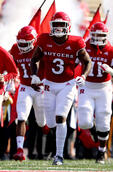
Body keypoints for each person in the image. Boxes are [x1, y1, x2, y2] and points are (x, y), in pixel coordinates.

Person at [30, 12, 92, 165]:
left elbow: (88, 62)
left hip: (67, 84)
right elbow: (34, 59)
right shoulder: (44, 39)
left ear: (67, 26)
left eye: (61, 25)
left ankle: (59, 155)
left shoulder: (76, 42)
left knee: (60, 117)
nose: (58, 28)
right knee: (50, 123)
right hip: (49, 84)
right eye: (55, 25)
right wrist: (34, 75)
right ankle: (57, 150)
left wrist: (83, 76)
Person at [77, 22, 113, 164]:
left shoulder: (112, 50)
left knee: (104, 119)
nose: (97, 38)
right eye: (95, 35)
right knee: (83, 122)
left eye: (100, 35)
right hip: (87, 85)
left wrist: (111, 71)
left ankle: (101, 152)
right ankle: (93, 129)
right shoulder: (84, 46)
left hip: (104, 87)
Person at [10, 26, 46, 161]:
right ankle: (20, 150)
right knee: (21, 118)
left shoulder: (40, 49)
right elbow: (8, 63)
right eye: (21, 43)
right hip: (25, 87)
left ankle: (46, 149)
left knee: (42, 123)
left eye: (25, 43)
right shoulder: (15, 48)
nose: (22, 46)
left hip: (40, 89)